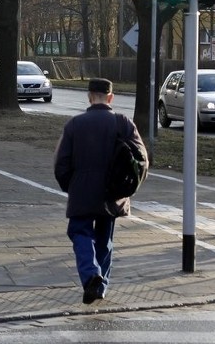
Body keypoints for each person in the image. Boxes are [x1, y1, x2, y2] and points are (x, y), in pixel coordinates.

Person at [54, 78, 147, 305]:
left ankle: (91, 275)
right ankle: (100, 285)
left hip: (82, 191)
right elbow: (142, 160)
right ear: (111, 97)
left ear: (89, 96)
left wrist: (71, 186)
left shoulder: (75, 125)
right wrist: (128, 187)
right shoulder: (122, 123)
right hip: (112, 192)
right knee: (105, 240)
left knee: (80, 232)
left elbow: (61, 164)